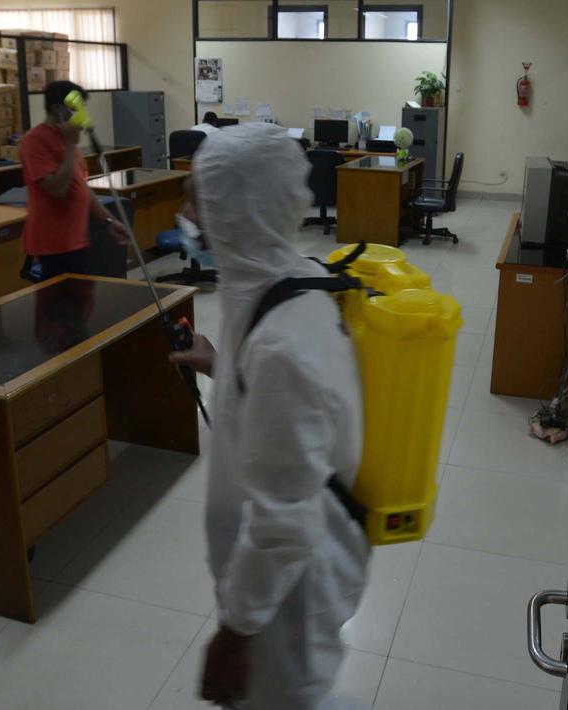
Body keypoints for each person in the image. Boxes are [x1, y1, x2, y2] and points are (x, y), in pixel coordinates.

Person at [170, 123, 370, 709]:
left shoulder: (282, 344)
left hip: (286, 602)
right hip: (275, 585)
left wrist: (236, 631)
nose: (189, 215)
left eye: (199, 200)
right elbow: (275, 386)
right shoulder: (285, 280)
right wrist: (220, 364)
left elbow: (284, 524)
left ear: (238, 210)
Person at [20, 80, 129, 281]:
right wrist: (70, 145)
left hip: (76, 239)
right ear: (57, 111)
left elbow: (81, 188)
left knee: (82, 302)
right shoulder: (34, 141)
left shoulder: (67, 140)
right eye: (74, 109)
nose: (80, 115)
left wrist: (109, 220)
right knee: (63, 307)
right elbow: (58, 189)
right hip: (53, 245)